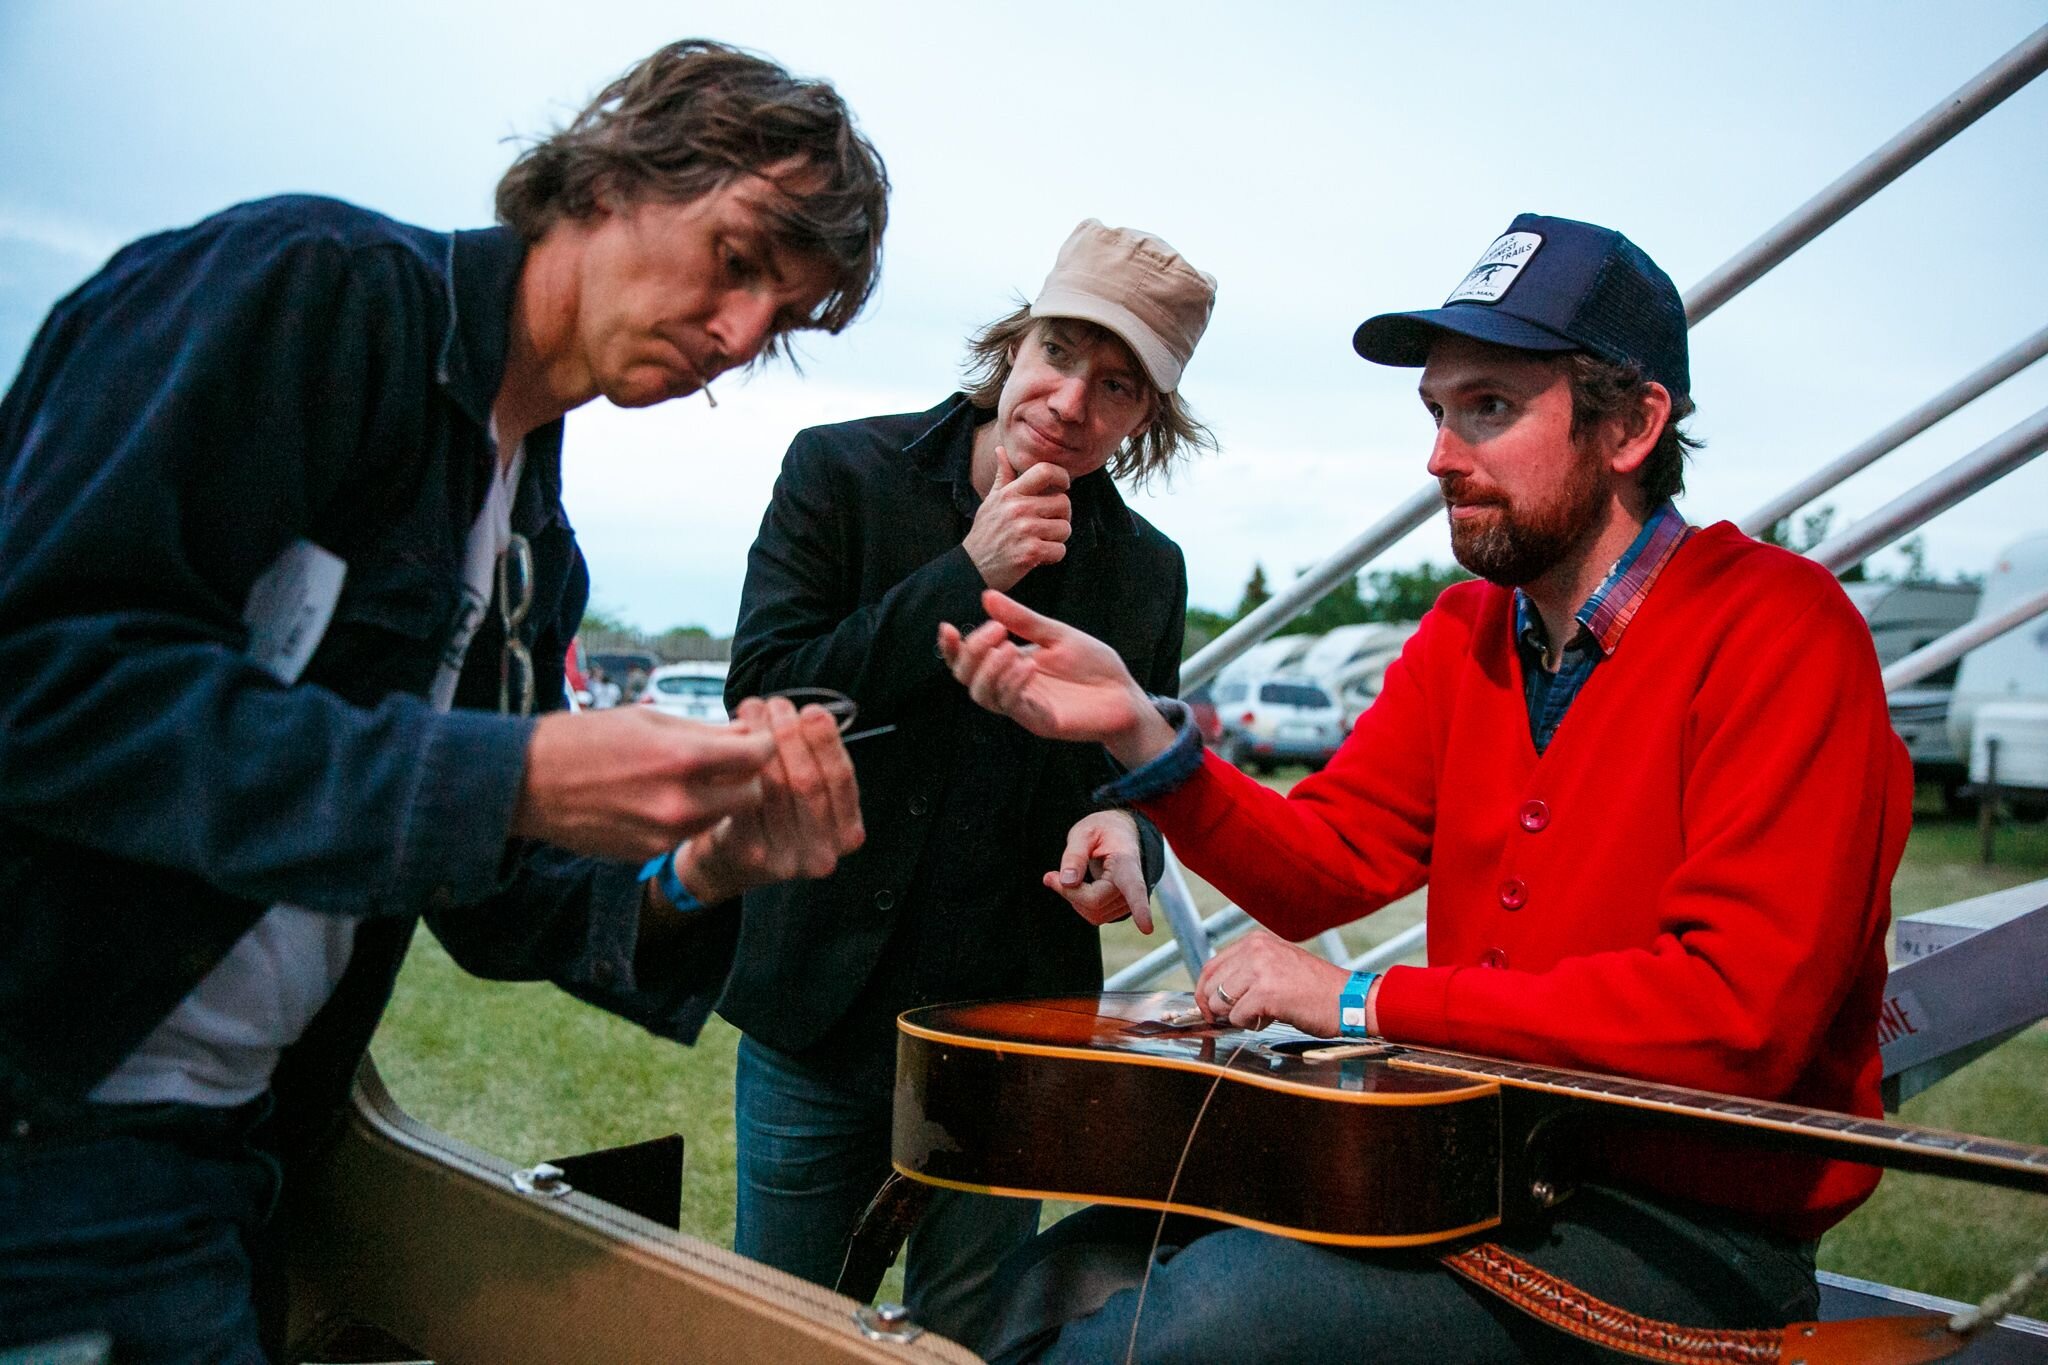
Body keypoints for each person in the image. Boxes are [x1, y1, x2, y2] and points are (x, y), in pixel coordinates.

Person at [0, 40, 886, 1363]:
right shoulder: (311, 292)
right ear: (616, 170)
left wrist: (699, 870)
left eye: (785, 320)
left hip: (232, 1147)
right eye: (740, 259)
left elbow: (488, 890)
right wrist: (511, 770)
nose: (743, 335)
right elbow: (41, 682)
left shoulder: (532, 535)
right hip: (51, 1125)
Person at [940, 213, 1914, 1363]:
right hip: (1460, 1171)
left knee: (1191, 1331)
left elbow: (1730, 1019)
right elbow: (1326, 864)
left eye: (1487, 409)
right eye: (1437, 412)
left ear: (1632, 426)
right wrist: (1145, 732)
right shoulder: (1469, 632)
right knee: (1050, 1280)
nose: (1440, 455)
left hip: (1684, 1244)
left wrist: (1358, 1004)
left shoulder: (1781, 628)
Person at [719, 219, 1217, 1343]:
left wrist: (1128, 829)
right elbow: (765, 701)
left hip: (1014, 1022)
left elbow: (1134, 765)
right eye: (1059, 351)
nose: (1070, 399)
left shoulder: (1144, 570)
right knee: (783, 1325)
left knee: (971, 1334)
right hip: (820, 1001)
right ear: (1013, 341)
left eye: (1118, 384)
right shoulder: (840, 471)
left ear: (1146, 417)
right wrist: (965, 575)